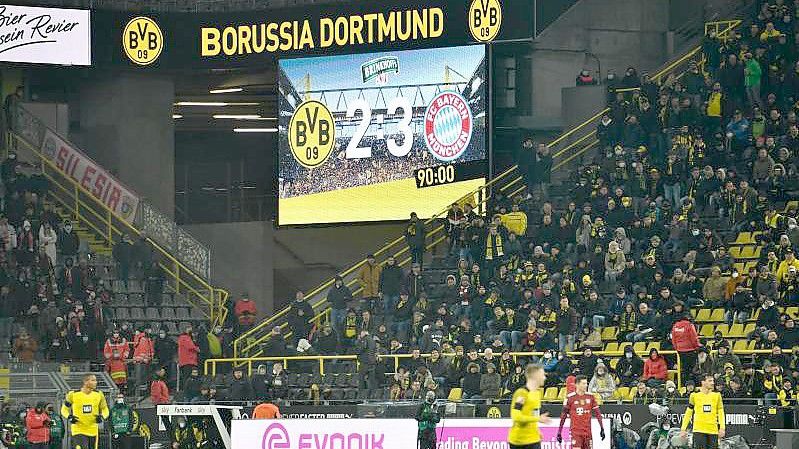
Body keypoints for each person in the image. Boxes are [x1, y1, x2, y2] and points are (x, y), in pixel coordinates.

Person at [60, 374, 110, 449]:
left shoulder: (99, 394)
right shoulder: (73, 394)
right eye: (93, 380)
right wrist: (69, 417)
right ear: (85, 382)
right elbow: (64, 409)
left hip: (93, 430)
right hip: (78, 429)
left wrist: (102, 417)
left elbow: (105, 409)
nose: (96, 382)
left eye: (95, 380)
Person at [508, 364, 550, 449]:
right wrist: (538, 419)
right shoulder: (522, 393)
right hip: (519, 441)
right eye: (542, 375)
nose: (544, 378)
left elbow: (534, 413)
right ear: (535, 376)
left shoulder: (537, 393)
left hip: (533, 439)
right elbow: (516, 417)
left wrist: (537, 431)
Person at [557, 375, 605, 449]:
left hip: (588, 433)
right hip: (576, 432)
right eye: (583, 383)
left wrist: (602, 428)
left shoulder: (591, 397)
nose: (586, 385)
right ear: (577, 384)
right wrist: (559, 432)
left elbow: (598, 413)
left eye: (586, 383)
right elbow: (563, 416)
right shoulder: (570, 398)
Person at [680, 374, 726, 449]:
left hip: (713, 430)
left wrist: (722, 428)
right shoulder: (694, 396)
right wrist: (683, 429)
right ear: (703, 382)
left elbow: (721, 412)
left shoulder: (717, 395)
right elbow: (688, 412)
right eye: (710, 381)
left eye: (713, 381)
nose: (712, 383)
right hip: (699, 430)